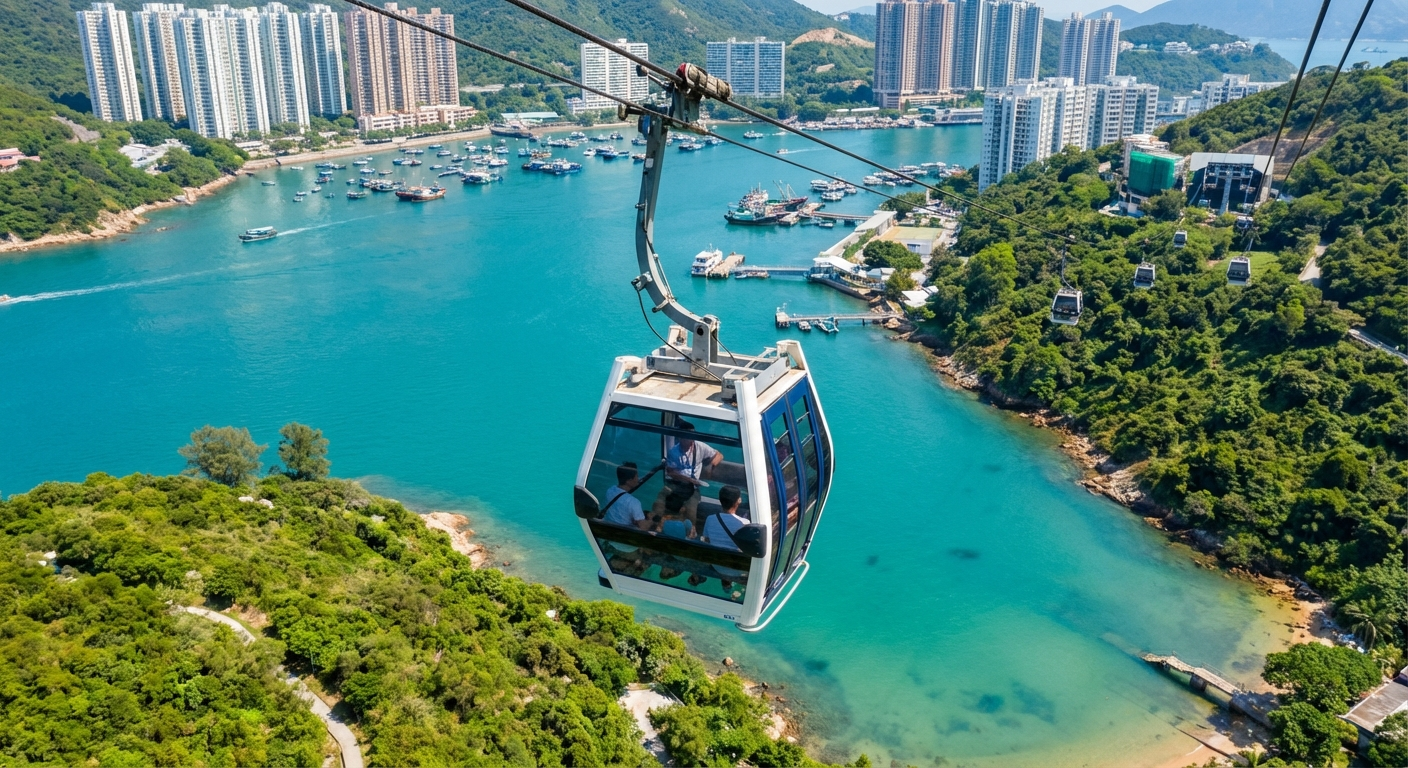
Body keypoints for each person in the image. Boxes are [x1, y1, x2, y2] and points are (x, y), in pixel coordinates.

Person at [657, 421, 723, 525]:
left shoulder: (700, 446)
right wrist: (689, 479)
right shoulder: (674, 452)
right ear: (680, 438)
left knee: (691, 513)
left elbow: (719, 455)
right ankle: (658, 524)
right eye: (688, 437)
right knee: (660, 502)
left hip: (693, 488)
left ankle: (690, 530)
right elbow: (671, 472)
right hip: (676, 484)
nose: (691, 440)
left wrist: (711, 466)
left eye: (693, 436)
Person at [700, 484, 749, 592]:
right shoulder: (745, 523)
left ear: (720, 500)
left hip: (717, 565)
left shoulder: (710, 519)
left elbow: (706, 540)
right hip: (737, 569)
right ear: (739, 501)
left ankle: (726, 584)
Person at [602, 463, 650, 530]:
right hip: (623, 532)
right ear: (629, 481)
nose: (638, 479)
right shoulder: (634, 502)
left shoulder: (610, 490)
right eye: (637, 476)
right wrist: (652, 519)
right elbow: (643, 527)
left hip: (608, 528)